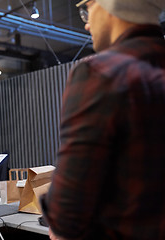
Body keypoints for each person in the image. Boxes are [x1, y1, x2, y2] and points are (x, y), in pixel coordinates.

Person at [40, 0, 165, 239]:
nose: (86, 25)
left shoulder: (100, 75)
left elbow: (66, 216)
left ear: (109, 5)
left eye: (86, 8)